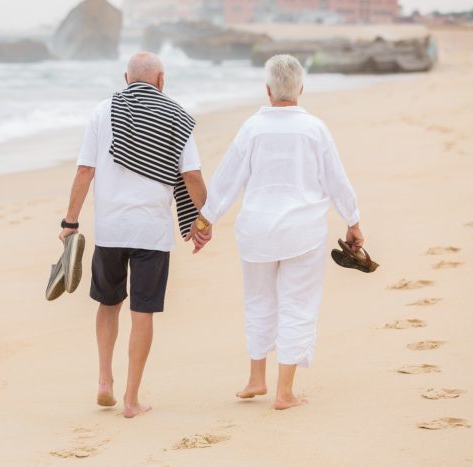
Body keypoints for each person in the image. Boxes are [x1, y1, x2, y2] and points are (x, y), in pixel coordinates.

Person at [192, 54, 364, 410]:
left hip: (257, 232)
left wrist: (206, 220)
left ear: (267, 90)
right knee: (298, 305)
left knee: (259, 301)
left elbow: (227, 179)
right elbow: (336, 180)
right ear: (300, 89)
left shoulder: (252, 128)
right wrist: (353, 220)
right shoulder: (315, 129)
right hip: (303, 233)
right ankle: (284, 392)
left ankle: (256, 378)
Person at [59, 52, 210, 418]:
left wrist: (70, 221)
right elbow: (190, 177)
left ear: (126, 78)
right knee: (142, 313)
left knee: (108, 304)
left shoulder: (102, 111)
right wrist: (202, 218)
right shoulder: (176, 116)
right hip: (152, 234)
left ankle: (104, 381)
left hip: (111, 230)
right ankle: (130, 399)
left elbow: (84, 170)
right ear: (161, 80)